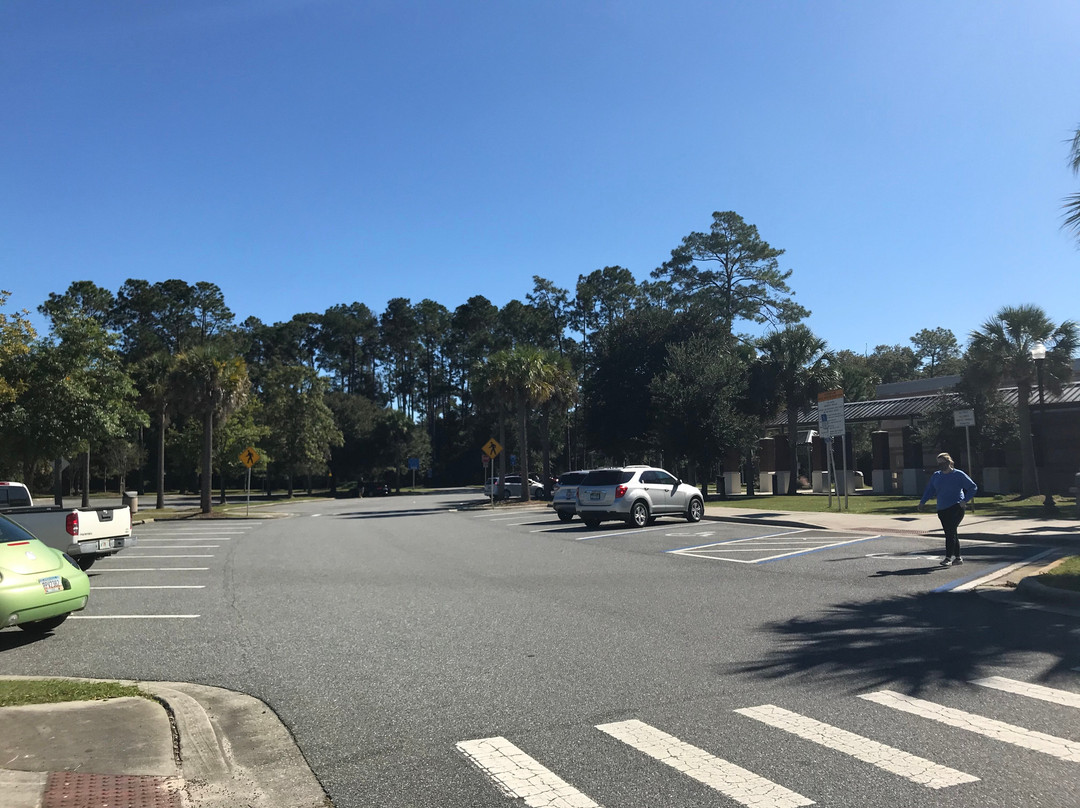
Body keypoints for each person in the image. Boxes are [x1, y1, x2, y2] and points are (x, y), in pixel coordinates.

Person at [918, 452, 978, 566]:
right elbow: (930, 490)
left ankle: (948, 558)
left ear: (949, 462)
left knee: (950, 531)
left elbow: (972, 487)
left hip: (956, 507)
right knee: (951, 532)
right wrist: (922, 502)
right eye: (939, 464)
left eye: (943, 463)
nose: (941, 466)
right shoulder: (936, 476)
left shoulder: (958, 475)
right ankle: (958, 557)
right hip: (942, 508)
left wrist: (965, 500)